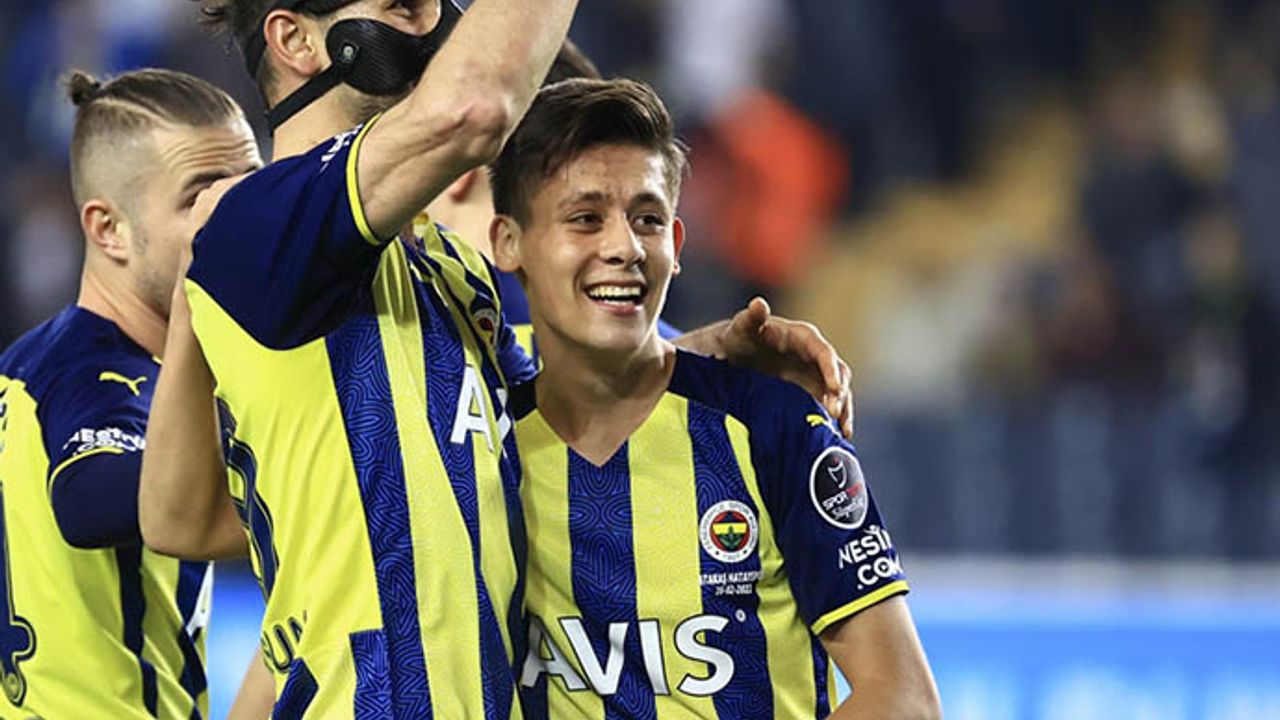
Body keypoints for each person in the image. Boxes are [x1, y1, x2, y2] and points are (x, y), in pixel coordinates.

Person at [139, 0, 852, 715]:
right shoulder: (260, 219)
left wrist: (697, 356)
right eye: (403, 6)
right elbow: (475, 108)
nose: (438, 26)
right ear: (295, 39)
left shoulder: (451, 269)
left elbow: (184, 520)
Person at [491, 78, 941, 718]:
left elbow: (903, 699)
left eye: (647, 220)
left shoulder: (772, 426)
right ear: (508, 242)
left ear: (675, 247)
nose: (623, 248)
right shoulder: (481, 445)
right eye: (585, 219)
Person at [0, 69, 261, 719]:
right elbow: (89, 501)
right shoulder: (95, 378)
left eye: (252, 185)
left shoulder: (25, 366)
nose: (240, 216)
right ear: (108, 228)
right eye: (201, 198)